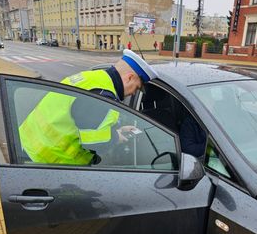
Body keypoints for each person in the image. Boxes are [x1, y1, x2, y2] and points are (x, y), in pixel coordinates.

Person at [19, 50, 159, 165]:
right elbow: (93, 142)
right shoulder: (102, 96)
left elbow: (87, 124)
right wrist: (116, 137)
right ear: (129, 78)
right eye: (137, 87)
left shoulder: (94, 78)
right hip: (46, 159)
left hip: (31, 143)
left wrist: (118, 130)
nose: (134, 92)